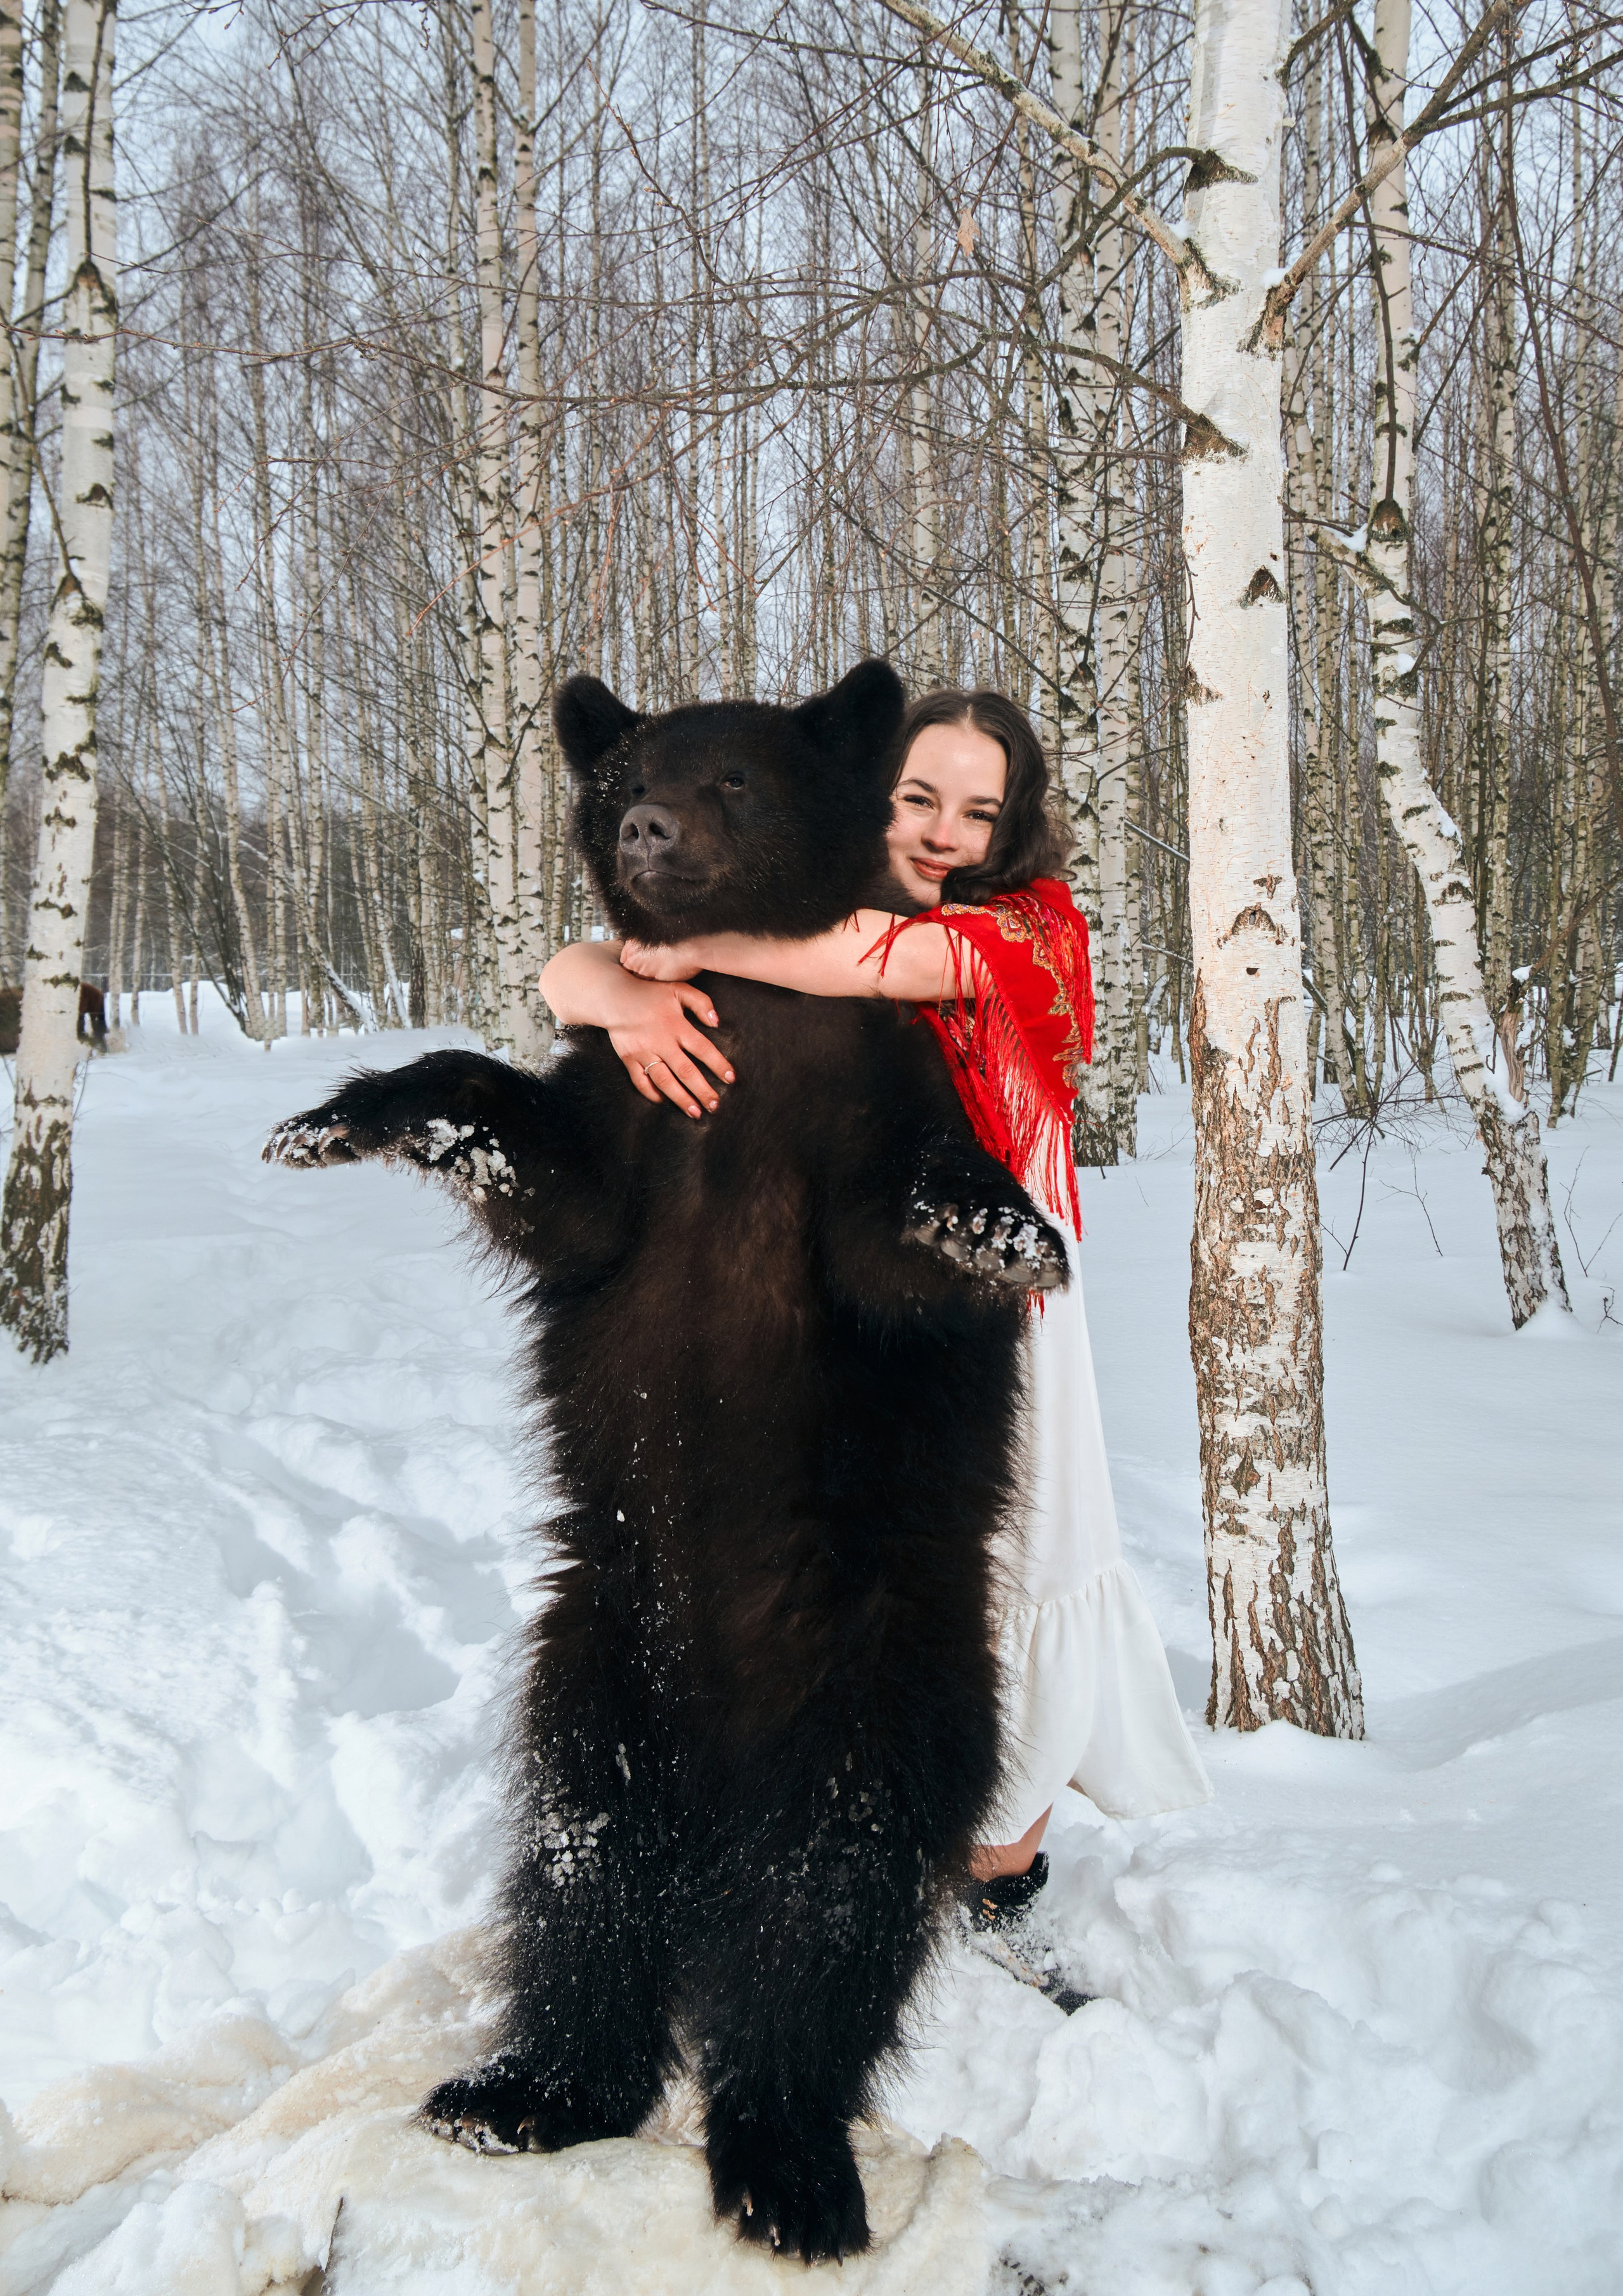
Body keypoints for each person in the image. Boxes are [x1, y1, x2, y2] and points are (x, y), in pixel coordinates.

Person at [540, 687, 1209, 1924]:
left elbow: (893, 961)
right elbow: (569, 969)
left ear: (1011, 827)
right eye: (916, 797)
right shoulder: (806, 905)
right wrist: (617, 989)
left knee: (1022, 1556)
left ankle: (998, 1878)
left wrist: (678, 954)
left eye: (978, 810)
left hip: (993, 1284)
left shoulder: (1031, 927)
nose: (944, 831)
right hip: (845, 1290)